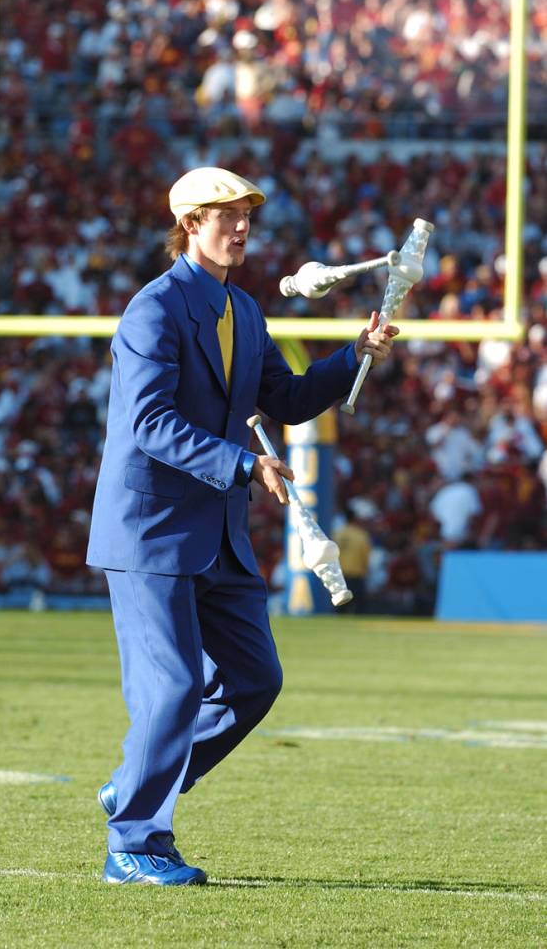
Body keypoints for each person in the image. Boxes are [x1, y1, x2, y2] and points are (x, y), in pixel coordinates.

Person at [86, 167, 399, 886]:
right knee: (172, 692)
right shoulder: (153, 311)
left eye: (246, 216)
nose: (241, 227)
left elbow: (284, 400)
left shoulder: (244, 312)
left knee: (255, 679)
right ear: (189, 223)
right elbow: (150, 424)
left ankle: (138, 779)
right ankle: (133, 840)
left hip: (216, 530)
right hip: (152, 531)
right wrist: (242, 464)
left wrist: (355, 356)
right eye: (226, 215)